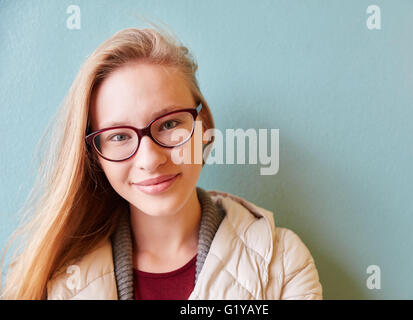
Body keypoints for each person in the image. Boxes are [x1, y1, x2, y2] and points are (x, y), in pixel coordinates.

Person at [1, 25, 323, 300]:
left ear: (204, 127)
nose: (150, 159)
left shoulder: (282, 263)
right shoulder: (58, 282)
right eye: (119, 136)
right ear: (96, 156)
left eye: (169, 124)